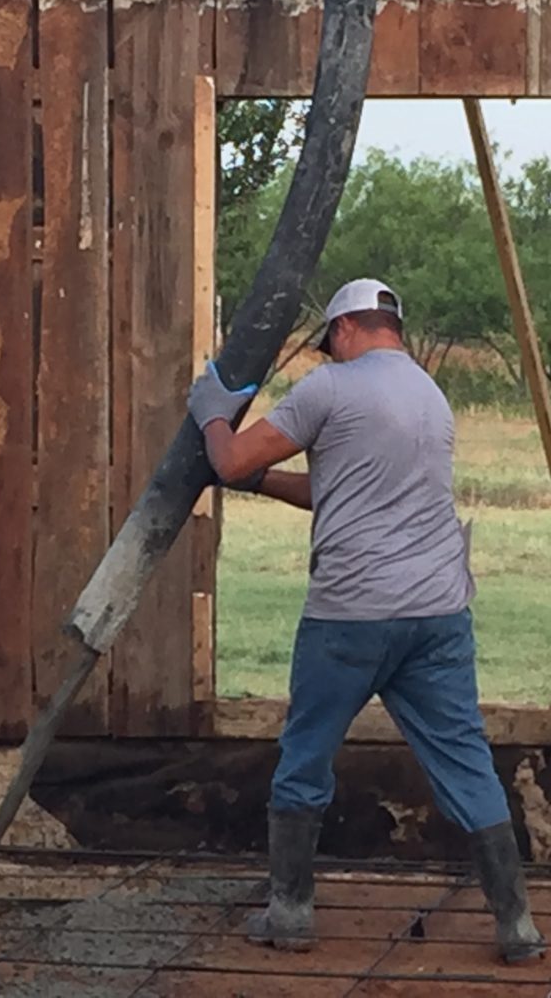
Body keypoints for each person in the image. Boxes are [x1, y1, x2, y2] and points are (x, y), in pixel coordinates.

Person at [187, 278, 546, 965]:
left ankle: (290, 912)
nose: (329, 356)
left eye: (329, 346)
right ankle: (518, 925)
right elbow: (335, 490)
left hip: (350, 617)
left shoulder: (331, 389)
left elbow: (230, 457)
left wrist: (212, 417)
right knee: (466, 761)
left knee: (307, 754)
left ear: (345, 330)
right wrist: (261, 480)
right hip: (437, 615)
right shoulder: (431, 399)